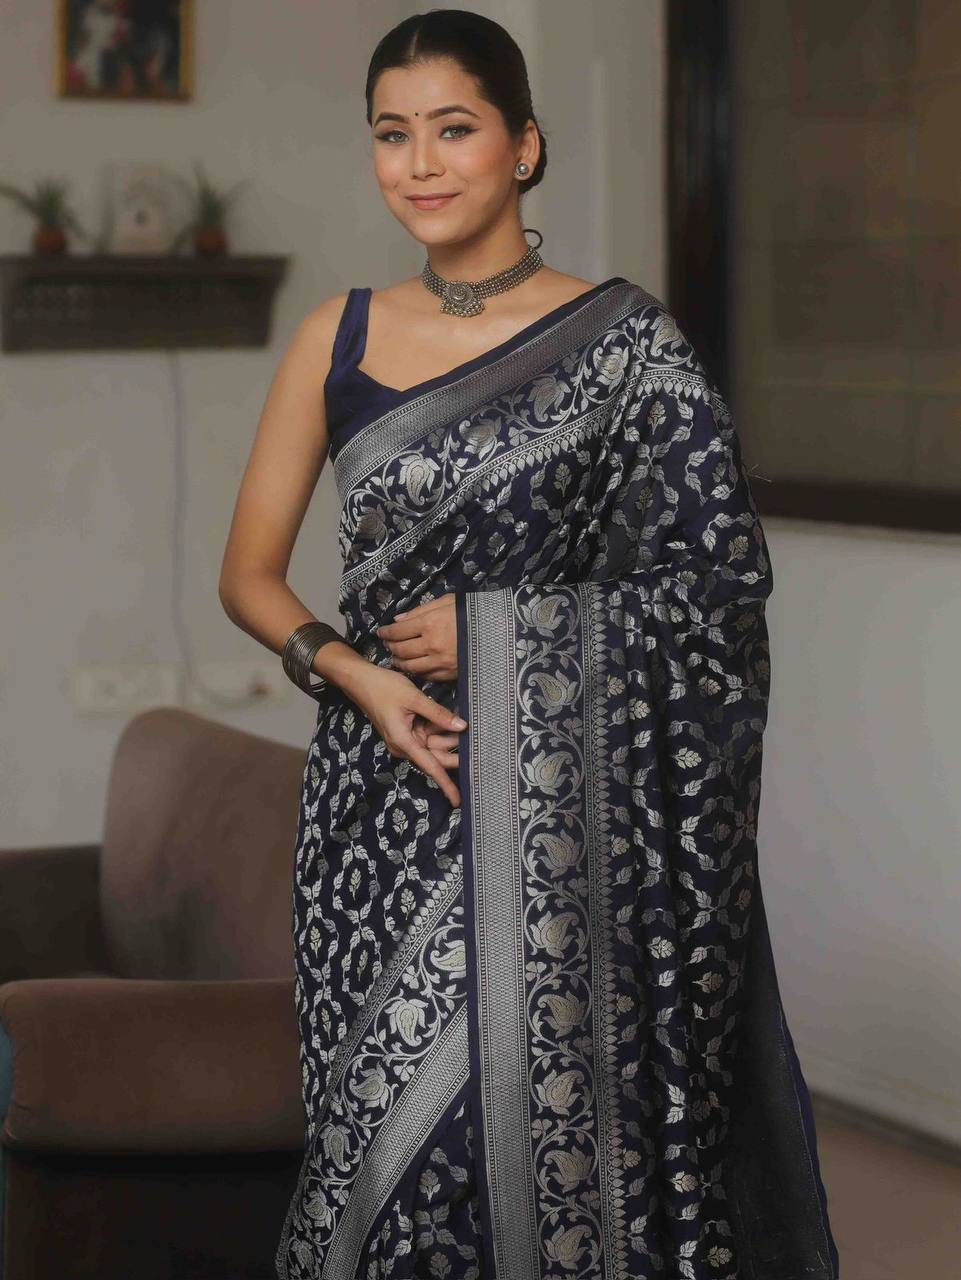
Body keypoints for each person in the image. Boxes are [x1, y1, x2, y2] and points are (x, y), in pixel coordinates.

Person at [218, 10, 840, 1279]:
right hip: (377, 807)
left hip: (558, 816)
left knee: (539, 1139)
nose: (420, 163)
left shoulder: (627, 348)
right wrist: (356, 673)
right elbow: (248, 576)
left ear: (524, 145)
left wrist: (500, 632)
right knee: (377, 1155)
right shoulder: (336, 336)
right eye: (392, 133)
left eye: (453, 128)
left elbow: (718, 591)